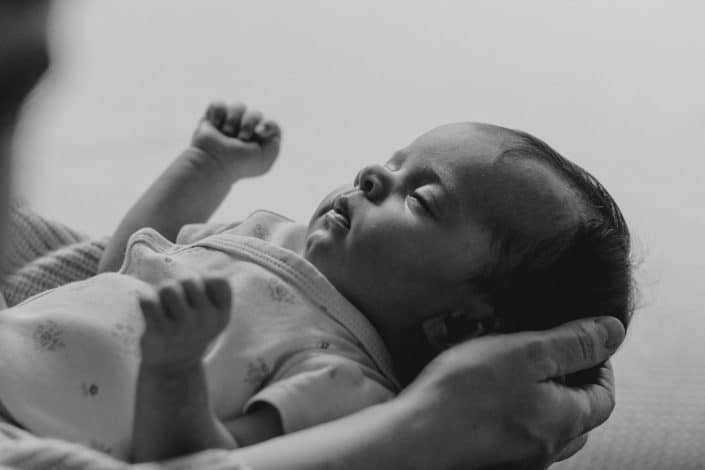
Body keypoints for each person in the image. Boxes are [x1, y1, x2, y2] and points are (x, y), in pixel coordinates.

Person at [0, 1, 627, 469]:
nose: (374, 174)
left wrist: (176, 366)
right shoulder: (268, 235)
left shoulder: (343, 380)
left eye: (422, 198)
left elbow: (199, 459)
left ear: (462, 324)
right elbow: (115, 269)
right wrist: (206, 167)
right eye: (394, 159)